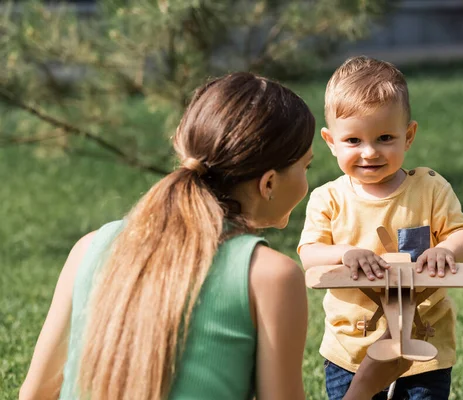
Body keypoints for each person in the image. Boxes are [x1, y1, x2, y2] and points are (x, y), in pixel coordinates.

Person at [19, 72, 410, 400]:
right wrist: (366, 384)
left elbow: (34, 394)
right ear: (269, 182)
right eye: (305, 167)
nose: (308, 183)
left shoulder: (89, 247)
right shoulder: (269, 275)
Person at [297, 56, 463, 400]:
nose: (369, 152)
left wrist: (446, 250)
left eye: (384, 137)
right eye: (353, 141)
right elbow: (309, 256)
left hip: (424, 345)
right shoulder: (329, 199)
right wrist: (345, 254)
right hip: (351, 347)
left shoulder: (430, 188)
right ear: (330, 141)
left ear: (408, 136)